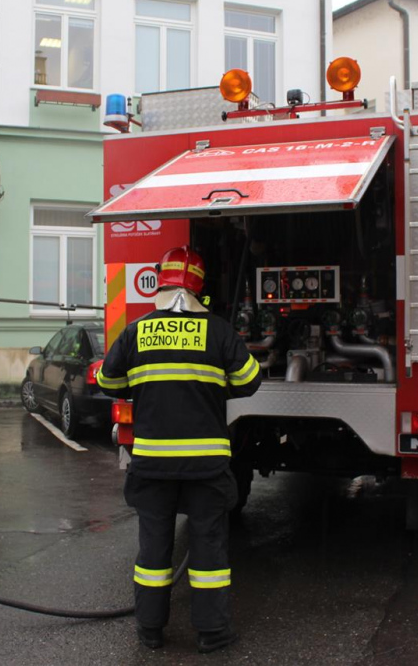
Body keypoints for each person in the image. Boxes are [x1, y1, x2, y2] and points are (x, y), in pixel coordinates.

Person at [96, 246, 262, 654]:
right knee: (209, 552)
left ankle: (150, 631)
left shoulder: (137, 331)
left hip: (152, 465)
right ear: (199, 287)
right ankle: (212, 633)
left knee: (153, 550)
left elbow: (107, 382)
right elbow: (250, 381)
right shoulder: (220, 331)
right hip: (206, 468)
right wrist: (215, 383)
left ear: (162, 281)